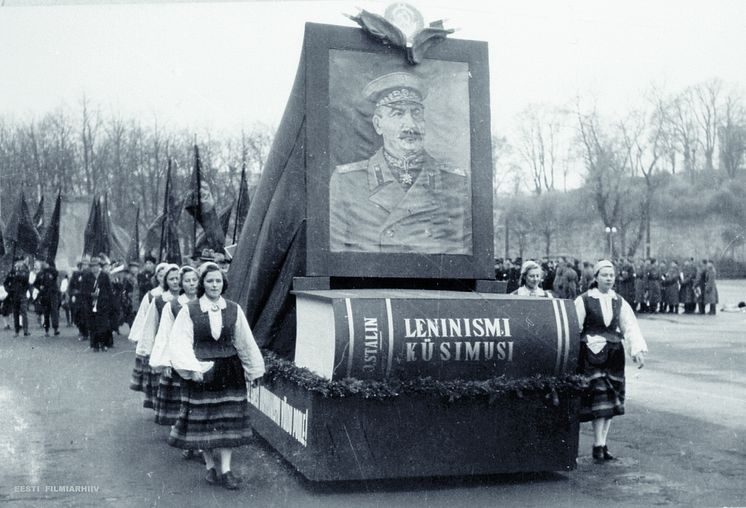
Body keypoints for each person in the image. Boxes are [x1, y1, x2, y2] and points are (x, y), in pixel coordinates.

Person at [329, 71, 471, 254]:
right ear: (378, 125)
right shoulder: (347, 182)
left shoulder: (455, 182)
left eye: (417, 113)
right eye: (398, 114)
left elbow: (464, 257)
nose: (410, 125)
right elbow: (335, 257)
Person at [168, 263, 265, 490]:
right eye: (210, 281)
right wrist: (193, 368)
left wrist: (254, 370)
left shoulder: (233, 309)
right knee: (205, 420)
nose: (214, 285)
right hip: (202, 372)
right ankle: (210, 466)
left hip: (229, 372)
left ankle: (227, 470)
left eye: (218, 281)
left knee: (226, 421)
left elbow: (245, 342)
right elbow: (179, 342)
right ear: (203, 284)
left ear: (224, 284)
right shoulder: (189, 310)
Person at [574, 260, 647, 463]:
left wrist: (637, 350)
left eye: (612, 275)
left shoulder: (619, 301)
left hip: (614, 355)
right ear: (596, 277)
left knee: (611, 401)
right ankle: (598, 445)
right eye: (604, 275)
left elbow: (629, 326)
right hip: (591, 357)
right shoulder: (584, 300)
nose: (609, 278)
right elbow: (575, 327)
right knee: (600, 402)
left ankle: (602, 444)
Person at [137, 264, 183, 419]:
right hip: (164, 342)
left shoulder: (189, 299)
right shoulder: (158, 300)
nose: (176, 282)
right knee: (166, 381)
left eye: (178, 278)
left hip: (183, 345)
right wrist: (146, 349)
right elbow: (149, 324)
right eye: (171, 279)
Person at [129, 262, 175, 408]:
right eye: (160, 275)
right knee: (156, 374)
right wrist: (139, 339)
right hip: (156, 337)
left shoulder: (180, 295)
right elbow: (144, 318)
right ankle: (157, 401)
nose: (163, 278)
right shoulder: (152, 295)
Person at [88, 256, 116, 352]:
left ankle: (104, 344)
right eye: (92, 266)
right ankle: (95, 345)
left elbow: (109, 290)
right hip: (91, 304)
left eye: (96, 266)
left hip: (103, 304)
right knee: (93, 326)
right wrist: (90, 295)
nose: (94, 268)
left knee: (103, 325)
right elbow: (83, 291)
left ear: (99, 266)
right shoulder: (87, 276)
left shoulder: (104, 276)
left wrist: (110, 303)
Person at [4, 258, 31, 337]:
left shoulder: (25, 273)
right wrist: (9, 290)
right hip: (14, 295)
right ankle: (17, 331)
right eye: (17, 264)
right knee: (15, 313)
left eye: (20, 264)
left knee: (24, 313)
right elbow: (6, 283)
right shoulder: (11, 273)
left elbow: (27, 282)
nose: (18, 266)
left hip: (22, 294)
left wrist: (24, 290)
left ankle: (25, 330)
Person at [34, 260, 61, 336]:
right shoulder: (40, 274)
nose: (44, 264)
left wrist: (48, 268)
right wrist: (40, 287)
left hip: (53, 294)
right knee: (46, 313)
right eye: (43, 263)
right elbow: (35, 283)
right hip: (45, 295)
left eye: (45, 263)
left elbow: (56, 273)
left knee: (54, 311)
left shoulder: (52, 271)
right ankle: (46, 330)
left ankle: (56, 328)